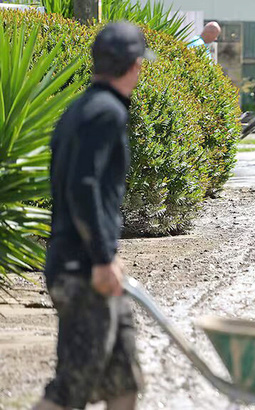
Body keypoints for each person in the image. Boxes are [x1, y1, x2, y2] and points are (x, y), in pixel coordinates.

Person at [34, 22, 151, 410]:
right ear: (134, 66)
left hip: (89, 264)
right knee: (71, 389)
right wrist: (102, 258)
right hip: (82, 269)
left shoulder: (80, 109)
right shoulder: (106, 114)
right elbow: (84, 187)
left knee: (123, 380)